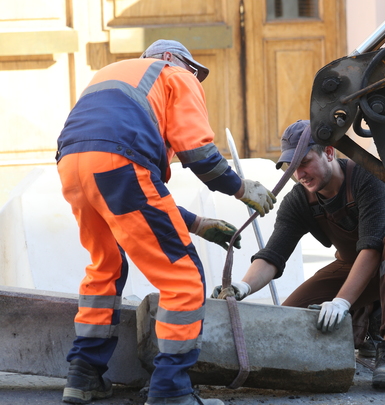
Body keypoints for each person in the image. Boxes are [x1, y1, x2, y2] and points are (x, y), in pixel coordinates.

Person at [56, 39, 275, 405]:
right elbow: (199, 154)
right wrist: (241, 188)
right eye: (194, 70)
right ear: (173, 58)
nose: (195, 78)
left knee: (104, 265)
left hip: (72, 167)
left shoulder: (112, 77)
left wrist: (198, 222)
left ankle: (84, 375)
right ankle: (171, 390)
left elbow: (136, 192)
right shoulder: (174, 74)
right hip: (118, 164)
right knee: (184, 278)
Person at [215, 120, 385, 389]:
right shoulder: (299, 200)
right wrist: (242, 286)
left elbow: (371, 248)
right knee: (290, 320)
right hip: (353, 263)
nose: (300, 173)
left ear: (329, 152)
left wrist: (342, 301)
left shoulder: (369, 178)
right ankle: (369, 317)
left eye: (305, 162)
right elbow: (273, 255)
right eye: (293, 167)